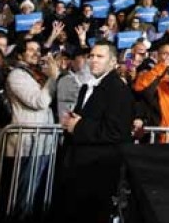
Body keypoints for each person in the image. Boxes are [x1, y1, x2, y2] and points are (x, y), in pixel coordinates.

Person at [58, 42, 134, 222]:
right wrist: (71, 123)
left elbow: (117, 131)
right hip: (77, 166)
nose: (93, 60)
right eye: (91, 56)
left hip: (99, 170)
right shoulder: (87, 87)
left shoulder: (118, 89)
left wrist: (79, 126)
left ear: (113, 61)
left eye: (100, 57)